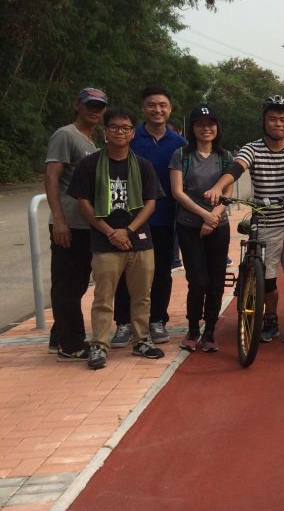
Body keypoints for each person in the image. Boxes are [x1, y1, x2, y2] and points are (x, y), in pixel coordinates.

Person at [205, 95, 284, 342]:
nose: (277, 124)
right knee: (268, 278)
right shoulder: (251, 148)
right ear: (263, 121)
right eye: (272, 119)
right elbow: (236, 169)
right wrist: (218, 187)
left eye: (282, 119)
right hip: (266, 221)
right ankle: (270, 318)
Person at [67, 107, 164, 370]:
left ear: (133, 133)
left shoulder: (142, 165)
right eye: (114, 127)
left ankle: (141, 340)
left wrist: (128, 230)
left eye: (126, 128)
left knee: (142, 296)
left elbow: (151, 203)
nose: (120, 132)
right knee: (103, 297)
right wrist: (111, 232)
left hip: (139, 240)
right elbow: (84, 204)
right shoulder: (89, 165)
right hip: (104, 242)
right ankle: (99, 344)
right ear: (105, 131)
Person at [109, 86, 185, 348]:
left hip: (164, 218)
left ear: (170, 109)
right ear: (143, 108)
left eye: (162, 105)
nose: (157, 110)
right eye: (152, 105)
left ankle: (157, 320)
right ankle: (124, 322)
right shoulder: (131, 138)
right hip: (129, 219)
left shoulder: (179, 144)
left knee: (162, 271)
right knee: (125, 273)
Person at [45, 88, 106, 361]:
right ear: (77, 105)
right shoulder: (65, 135)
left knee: (77, 284)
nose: (95, 111)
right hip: (68, 224)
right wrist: (59, 219)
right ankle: (70, 344)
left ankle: (59, 336)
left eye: (99, 107)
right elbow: (52, 177)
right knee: (67, 284)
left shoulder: (91, 141)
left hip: (85, 224)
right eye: (90, 105)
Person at [169, 106, 233, 353]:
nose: (206, 128)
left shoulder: (225, 156)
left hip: (219, 225)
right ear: (192, 128)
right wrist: (204, 215)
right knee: (198, 280)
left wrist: (213, 216)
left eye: (211, 124)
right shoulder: (181, 156)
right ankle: (193, 328)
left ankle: (210, 331)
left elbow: (228, 191)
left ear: (217, 127)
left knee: (216, 281)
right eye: (200, 124)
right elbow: (177, 192)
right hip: (189, 226)